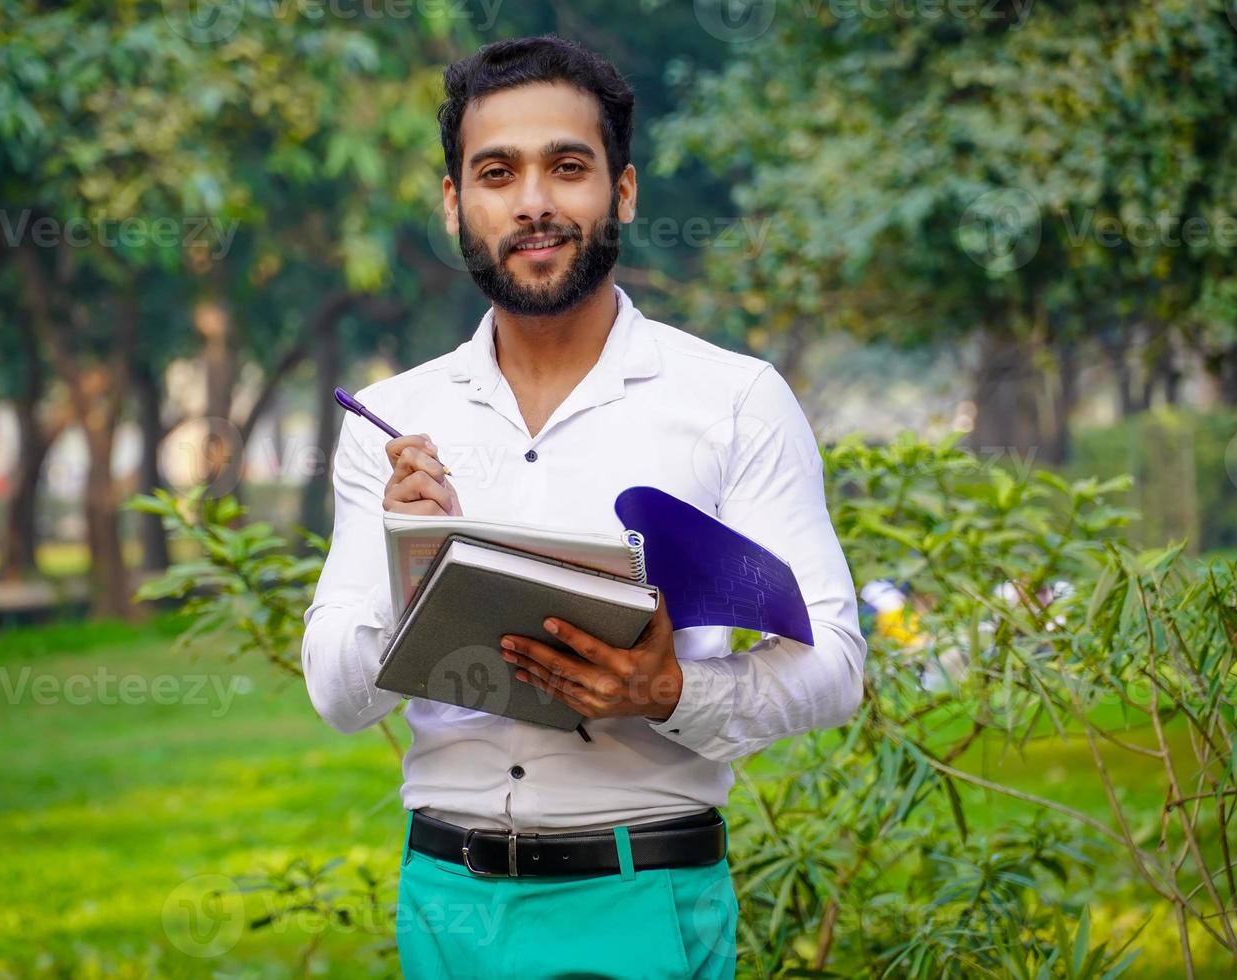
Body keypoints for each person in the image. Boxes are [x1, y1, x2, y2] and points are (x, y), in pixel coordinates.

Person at [301, 34, 866, 979]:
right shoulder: (397, 421)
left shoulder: (732, 401)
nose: (533, 203)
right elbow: (335, 694)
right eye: (496, 172)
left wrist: (671, 692)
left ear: (625, 191)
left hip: (647, 892)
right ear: (455, 204)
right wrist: (415, 560)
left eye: (568, 167)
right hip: (448, 906)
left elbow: (836, 665)